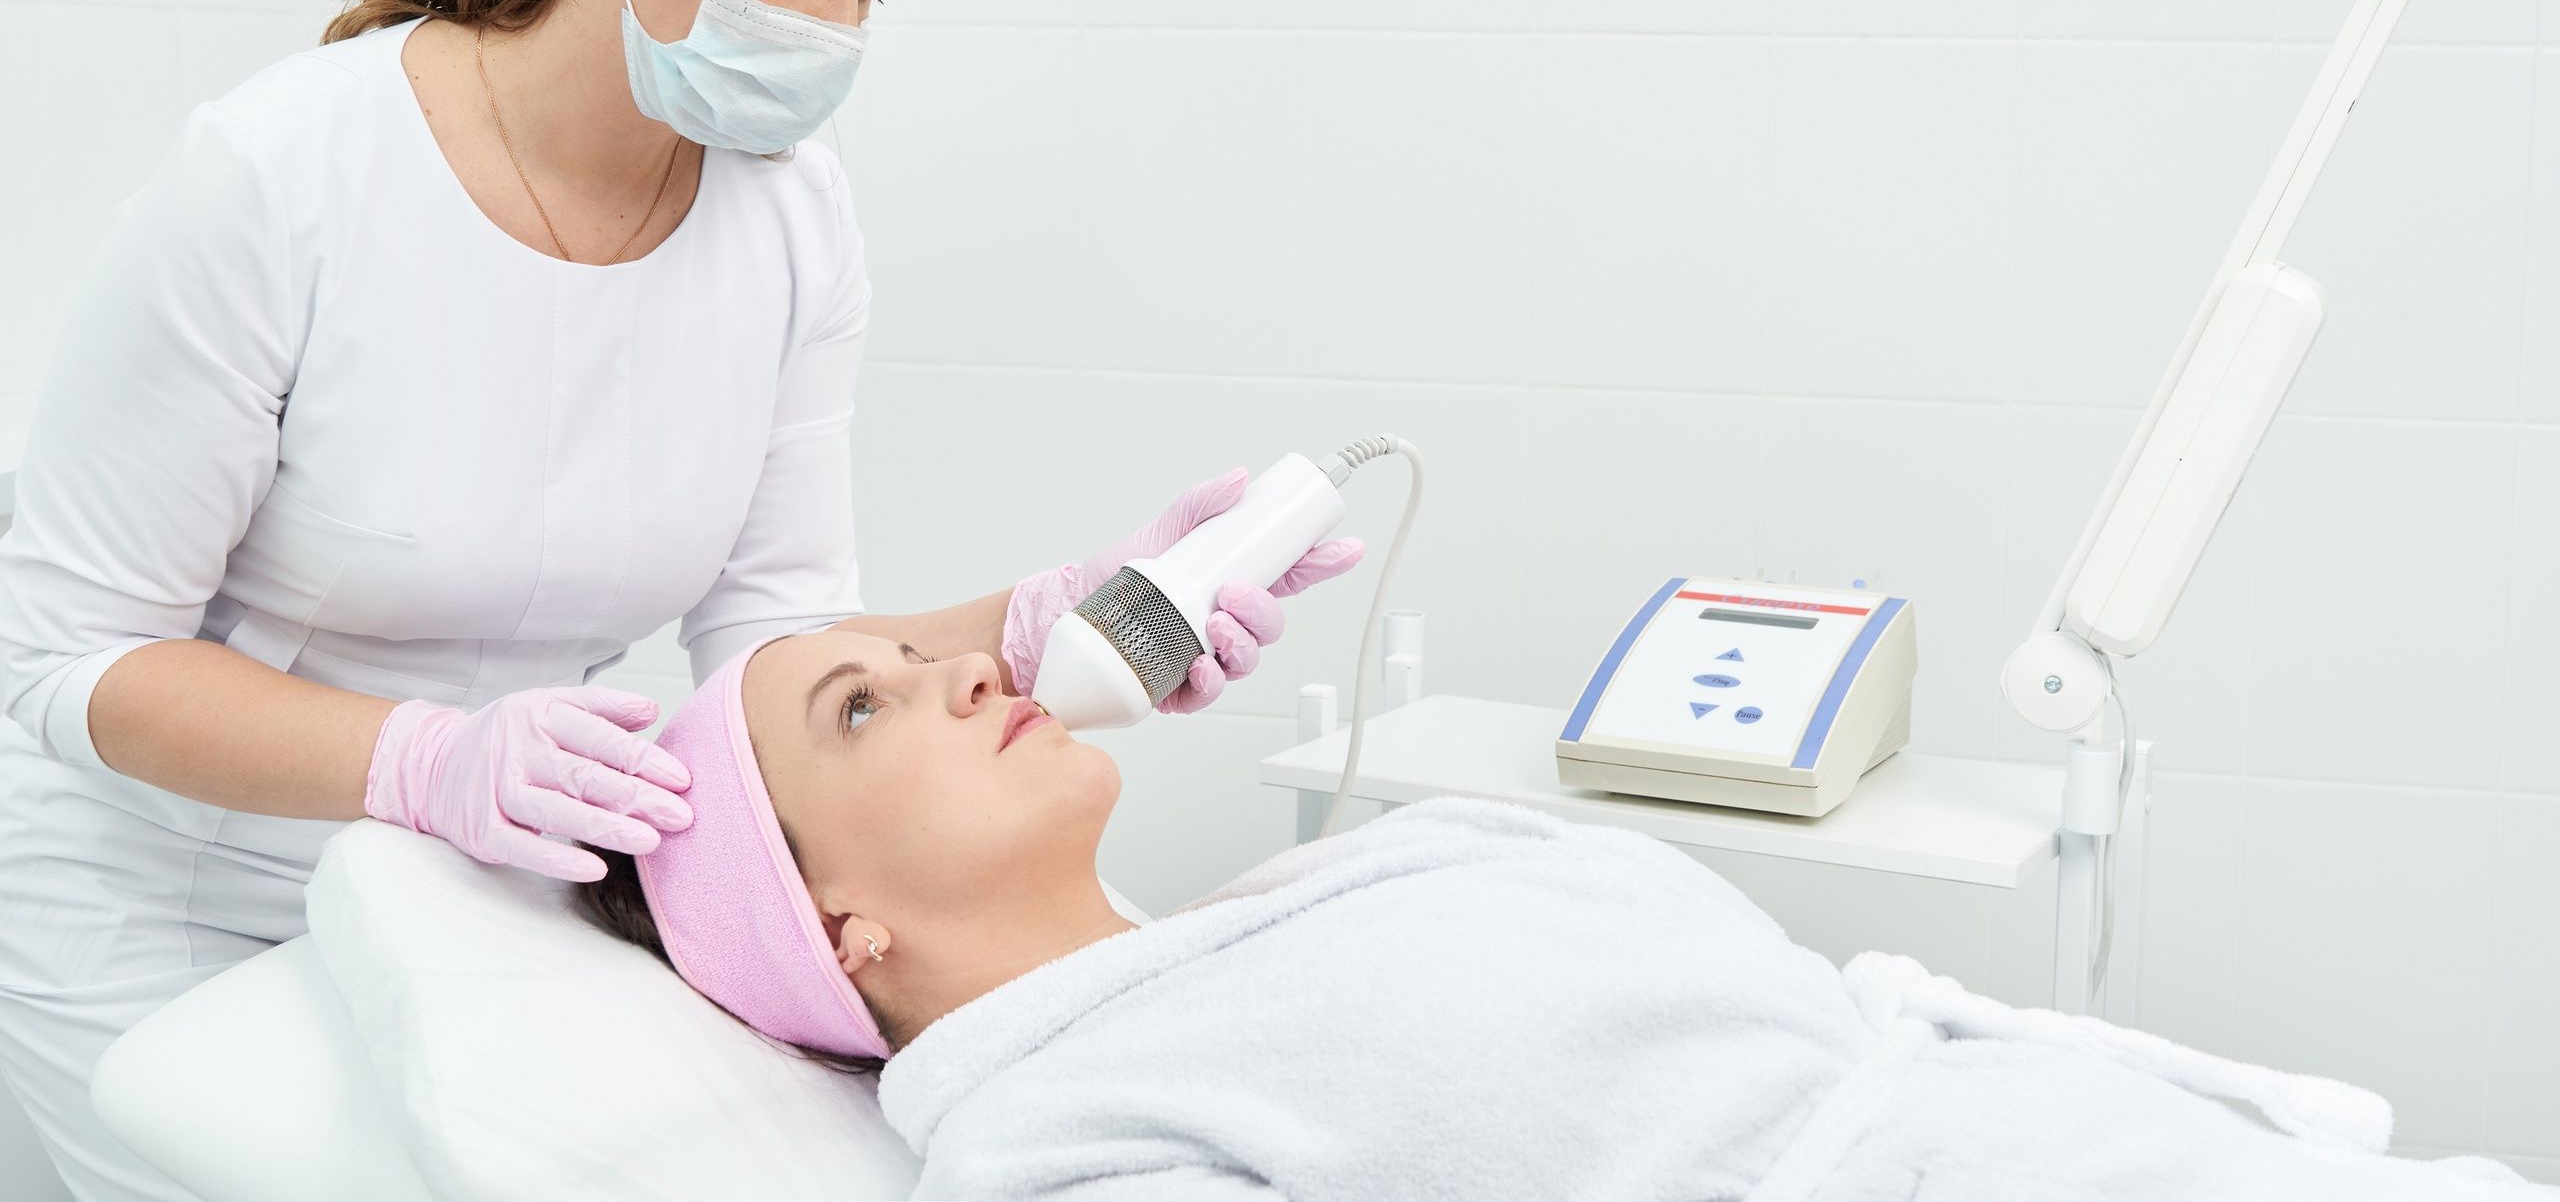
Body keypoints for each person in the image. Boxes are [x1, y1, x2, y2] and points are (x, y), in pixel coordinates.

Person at [0, 0, 1360, 1202]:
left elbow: (774, 644)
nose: (839, 29)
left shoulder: (791, 219)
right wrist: (421, 761)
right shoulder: (282, 183)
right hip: (161, 897)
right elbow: (69, 658)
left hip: (484, 898)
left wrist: (1042, 621)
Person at [580, 622, 2549, 1201]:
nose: (956, 665)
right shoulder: (1049, 1140)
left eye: (913, 647)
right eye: (862, 708)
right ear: (836, 926)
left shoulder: (1304, 890)